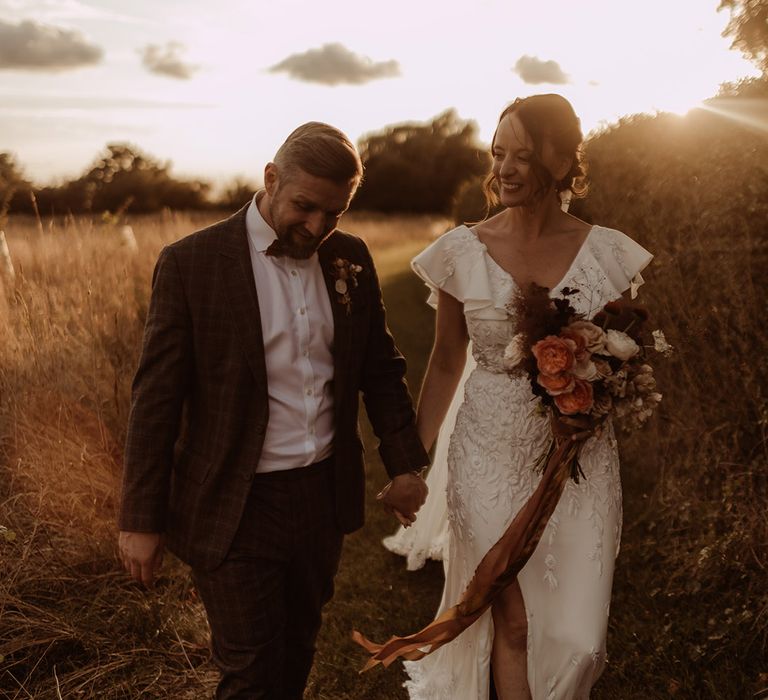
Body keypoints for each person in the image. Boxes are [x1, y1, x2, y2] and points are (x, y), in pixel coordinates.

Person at [117, 122, 429, 700]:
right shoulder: (193, 263)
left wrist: (406, 466)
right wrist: (141, 517)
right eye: (305, 207)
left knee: (297, 648)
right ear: (270, 179)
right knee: (253, 671)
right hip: (236, 502)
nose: (315, 228)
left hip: (321, 496)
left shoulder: (350, 258)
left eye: (332, 214)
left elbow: (379, 370)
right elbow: (156, 397)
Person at [383, 94, 653, 699]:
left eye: (522, 155)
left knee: (580, 636)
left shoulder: (607, 251)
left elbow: (624, 343)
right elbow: (447, 358)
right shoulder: (461, 251)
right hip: (487, 451)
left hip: (578, 455)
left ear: (560, 162)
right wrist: (411, 461)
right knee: (516, 620)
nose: (503, 168)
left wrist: (611, 385)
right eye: (498, 152)